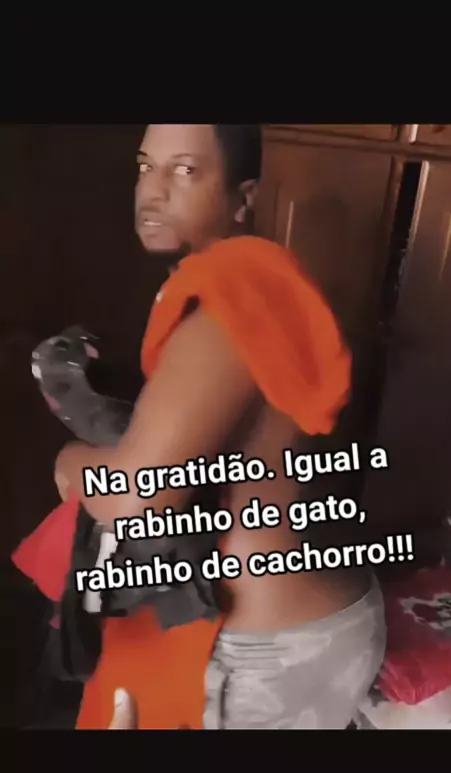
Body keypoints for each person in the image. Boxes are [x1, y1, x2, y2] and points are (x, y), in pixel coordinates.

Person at [35, 124, 386, 728]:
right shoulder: (263, 290)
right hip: (321, 608)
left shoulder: (226, 314)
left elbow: (138, 497)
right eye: (145, 167)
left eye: (185, 170)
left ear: (242, 197)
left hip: (270, 647)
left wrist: (67, 464)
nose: (153, 191)